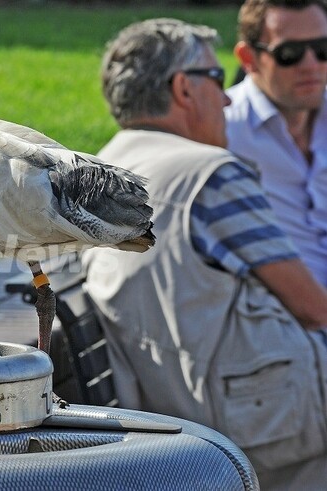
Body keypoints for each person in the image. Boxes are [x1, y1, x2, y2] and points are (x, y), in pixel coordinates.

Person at [82, 18, 327, 489]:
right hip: (263, 425)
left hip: (176, 412)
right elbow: (314, 308)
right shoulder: (210, 175)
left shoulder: (106, 168)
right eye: (218, 80)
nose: (230, 97)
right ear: (184, 89)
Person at [225, 0, 327, 286]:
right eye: (289, 53)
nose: (311, 66)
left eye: (322, 49)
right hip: (277, 320)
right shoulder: (222, 132)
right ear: (249, 58)